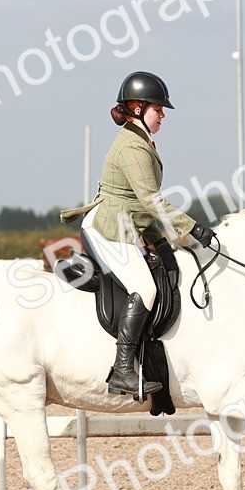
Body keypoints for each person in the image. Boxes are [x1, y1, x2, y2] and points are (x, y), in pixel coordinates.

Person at [61, 71, 216, 398]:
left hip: (125, 225)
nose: (162, 114)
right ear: (136, 108)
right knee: (145, 288)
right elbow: (150, 199)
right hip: (108, 229)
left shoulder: (140, 140)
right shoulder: (133, 145)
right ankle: (122, 370)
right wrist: (192, 227)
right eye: (158, 108)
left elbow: (136, 205)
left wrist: (160, 241)